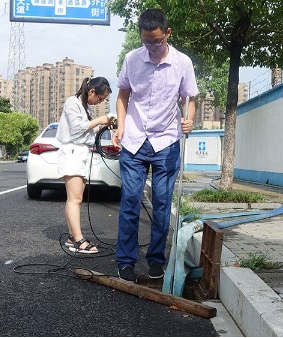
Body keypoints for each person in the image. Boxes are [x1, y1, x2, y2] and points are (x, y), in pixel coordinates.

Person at [112, 8, 199, 281]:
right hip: (135, 140)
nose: (151, 47)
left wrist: (190, 121)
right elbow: (123, 96)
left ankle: (156, 260)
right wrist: (122, 127)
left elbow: (190, 98)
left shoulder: (182, 63)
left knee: (162, 205)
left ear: (167, 34)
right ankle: (125, 260)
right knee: (130, 201)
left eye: (157, 42)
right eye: (146, 41)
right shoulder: (132, 59)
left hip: (167, 141)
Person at [56, 76, 113, 254]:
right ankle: (79, 241)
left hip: (80, 153)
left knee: (74, 198)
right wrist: (100, 120)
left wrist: (104, 126)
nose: (100, 102)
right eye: (100, 98)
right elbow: (77, 129)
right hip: (72, 152)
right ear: (91, 91)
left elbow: (86, 132)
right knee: (76, 199)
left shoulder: (84, 106)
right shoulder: (73, 102)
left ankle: (73, 237)